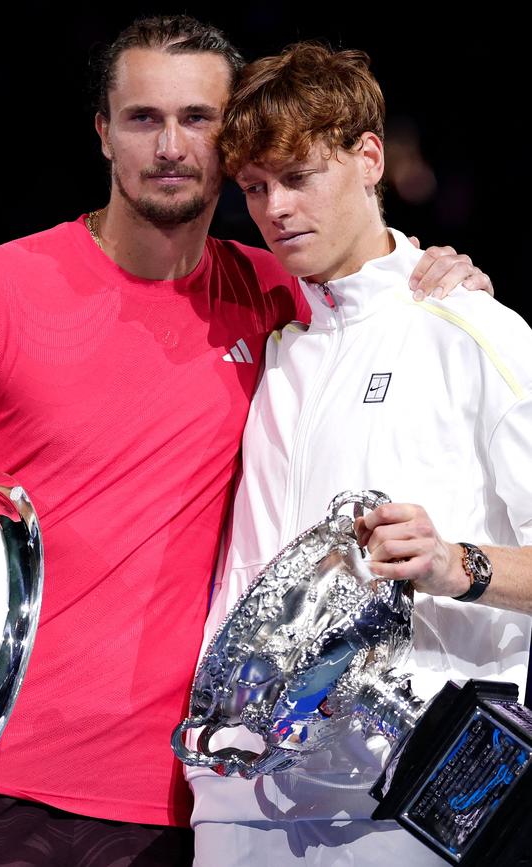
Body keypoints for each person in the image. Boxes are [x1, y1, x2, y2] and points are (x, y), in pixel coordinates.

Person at [0, 17, 491, 867]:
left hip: (200, 801)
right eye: (142, 119)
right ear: (102, 132)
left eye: (198, 119)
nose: (171, 146)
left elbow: (378, 284)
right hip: (2, 784)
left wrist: (446, 280)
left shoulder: (281, 299)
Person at [186, 41, 532, 866]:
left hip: (410, 805)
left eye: (297, 177)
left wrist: (460, 564)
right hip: (239, 800)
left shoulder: (474, 330)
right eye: (255, 187)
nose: (274, 208)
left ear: (369, 157)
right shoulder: (273, 347)